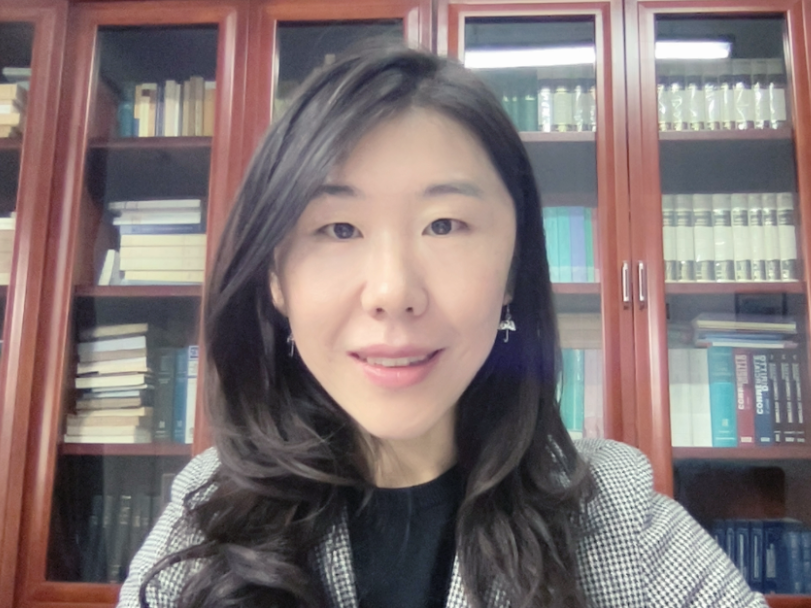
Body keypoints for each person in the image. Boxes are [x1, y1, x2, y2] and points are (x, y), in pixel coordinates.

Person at [117, 46, 766, 608]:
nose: (393, 292)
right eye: (338, 229)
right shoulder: (204, 523)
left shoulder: (618, 521)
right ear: (275, 278)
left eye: (444, 225)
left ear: (513, 268)